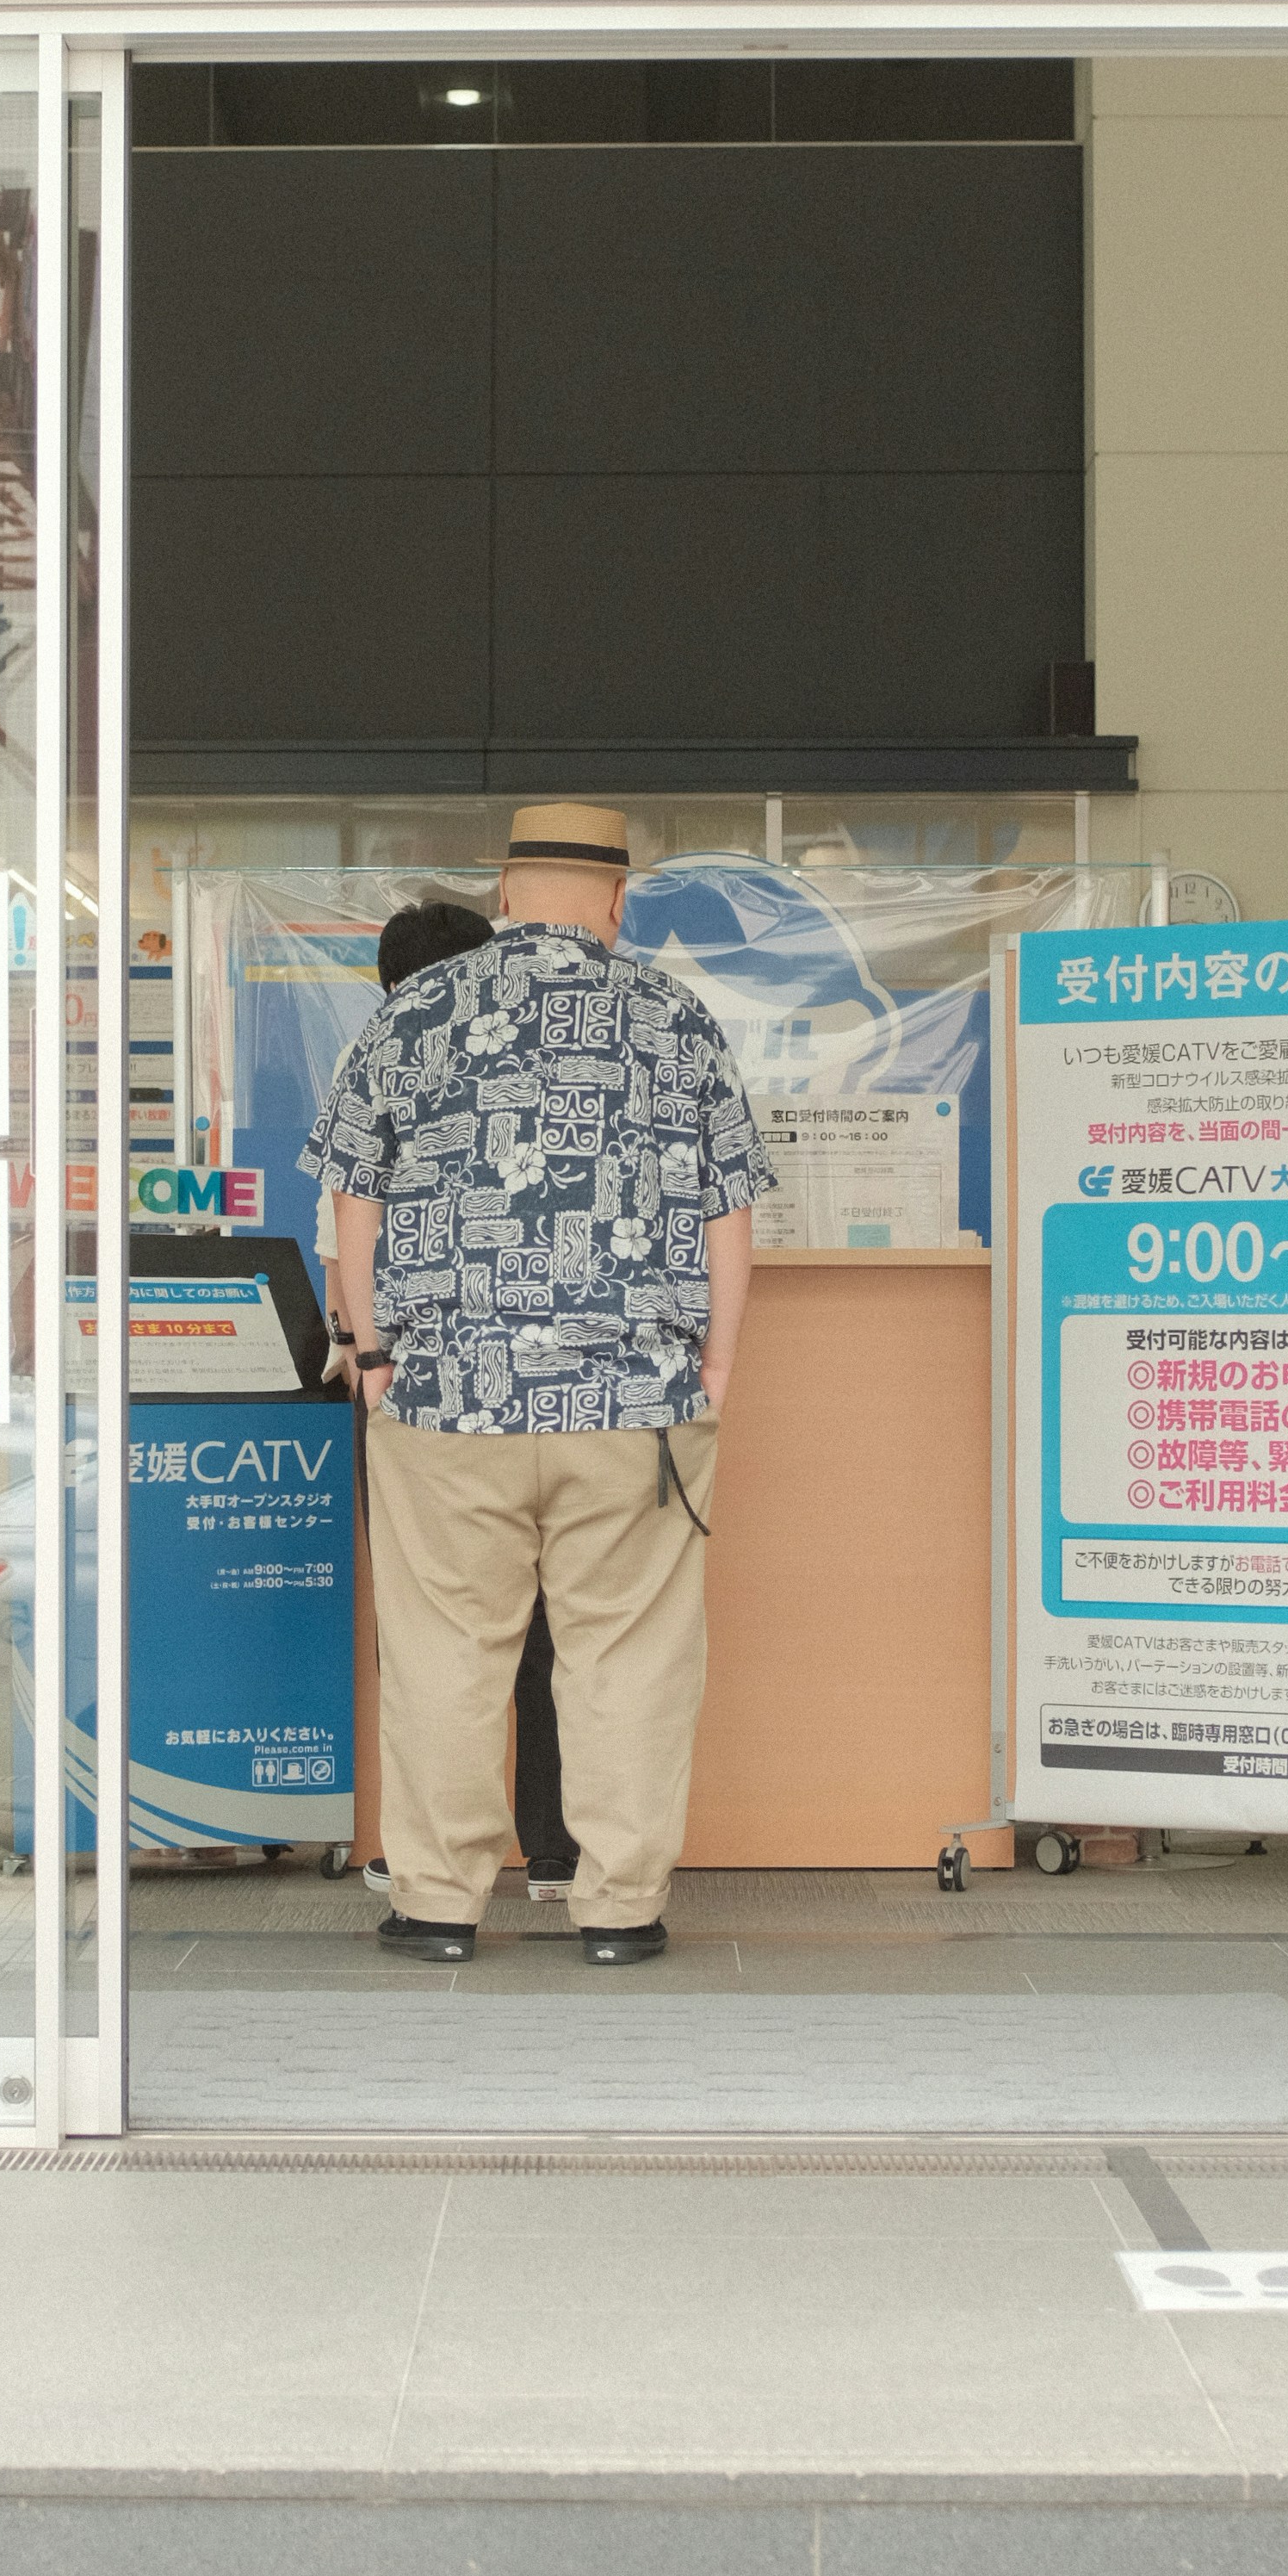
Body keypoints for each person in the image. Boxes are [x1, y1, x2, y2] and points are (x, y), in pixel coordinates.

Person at [310, 798, 766, 1965]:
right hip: (635, 1402)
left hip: (445, 1395)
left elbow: (352, 1197)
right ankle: (617, 1909)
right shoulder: (676, 1018)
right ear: (619, 904)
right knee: (628, 1653)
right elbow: (727, 1211)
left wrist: (368, 1352)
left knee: (444, 1649)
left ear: (504, 894)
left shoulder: (411, 1015)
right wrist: (713, 1365)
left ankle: (438, 1903)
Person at [335, 892, 580, 1906]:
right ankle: (561, 1855)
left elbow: (352, 1224)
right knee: (556, 1634)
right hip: (563, 1390)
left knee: (438, 1636)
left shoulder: (386, 1057)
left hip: (422, 1392)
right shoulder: (546, 1071)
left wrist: (363, 1350)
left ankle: (437, 1864)